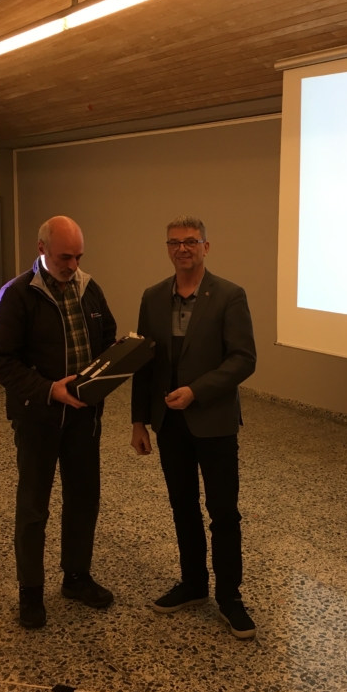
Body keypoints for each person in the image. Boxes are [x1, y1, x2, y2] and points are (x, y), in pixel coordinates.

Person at [130, 215, 258, 639]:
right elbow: (143, 363)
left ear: (206, 246)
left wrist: (196, 391)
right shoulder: (152, 297)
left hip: (213, 421)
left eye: (190, 241)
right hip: (169, 423)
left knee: (223, 512)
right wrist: (138, 421)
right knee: (182, 506)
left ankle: (230, 597)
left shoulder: (229, 295)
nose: (181, 248)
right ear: (167, 248)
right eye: (174, 242)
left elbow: (243, 359)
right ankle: (193, 584)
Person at [0, 215, 117, 629]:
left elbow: (107, 340)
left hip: (83, 418)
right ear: (42, 249)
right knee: (33, 507)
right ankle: (31, 591)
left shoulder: (89, 288)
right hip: (38, 418)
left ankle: (76, 577)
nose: (73, 265)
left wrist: (111, 367)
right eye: (65, 257)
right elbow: (0, 361)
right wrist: (48, 390)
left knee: (84, 499)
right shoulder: (17, 295)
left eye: (79, 256)